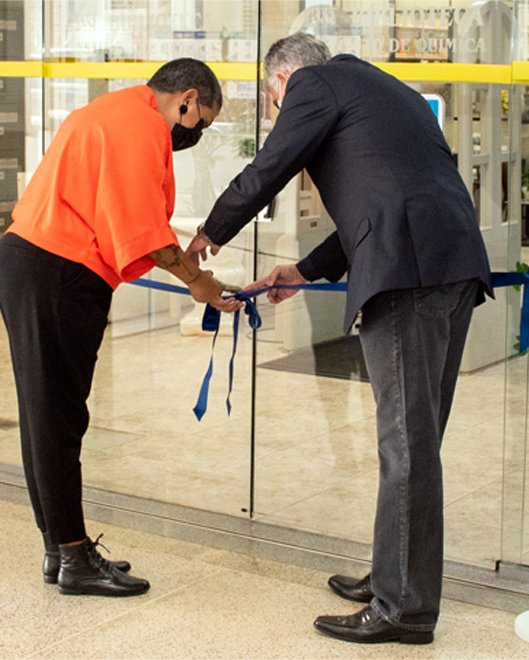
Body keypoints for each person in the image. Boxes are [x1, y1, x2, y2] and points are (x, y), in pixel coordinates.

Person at [187, 33, 492, 644]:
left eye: (277, 103)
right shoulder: (389, 91)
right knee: (416, 440)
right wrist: (303, 270)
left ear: (282, 81)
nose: (281, 113)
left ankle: (403, 608)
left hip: (408, 275)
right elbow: (382, 200)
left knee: (405, 444)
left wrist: (209, 233)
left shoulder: (313, 85)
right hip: (452, 264)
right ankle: (393, 575)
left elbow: (269, 165)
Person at [0, 58, 243, 598]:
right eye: (202, 124)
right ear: (188, 100)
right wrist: (198, 281)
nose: (195, 135)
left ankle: (59, 548)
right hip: (56, 270)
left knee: (45, 413)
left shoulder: (114, 109)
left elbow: (126, 214)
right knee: (57, 417)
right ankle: (76, 558)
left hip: (33, 261)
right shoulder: (142, 126)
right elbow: (143, 231)